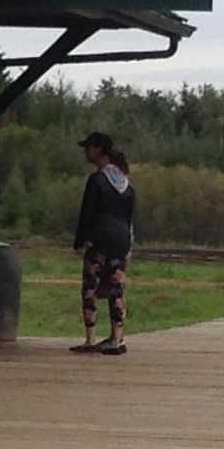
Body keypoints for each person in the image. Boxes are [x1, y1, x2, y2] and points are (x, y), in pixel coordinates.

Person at [72, 131, 136, 354]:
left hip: (99, 239)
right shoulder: (126, 184)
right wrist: (130, 245)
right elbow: (129, 220)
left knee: (90, 287)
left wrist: (79, 240)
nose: (85, 152)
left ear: (97, 149)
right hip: (121, 241)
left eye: (88, 147)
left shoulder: (97, 180)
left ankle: (90, 339)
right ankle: (117, 338)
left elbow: (87, 213)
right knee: (116, 288)